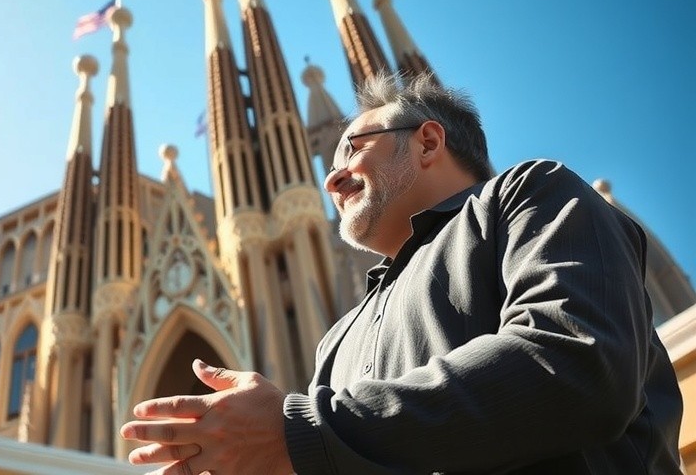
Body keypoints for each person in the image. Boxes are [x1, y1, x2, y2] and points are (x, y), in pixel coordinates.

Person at [119, 74, 683, 474]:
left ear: (428, 142)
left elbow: (579, 362)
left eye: (352, 150)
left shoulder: (527, 198)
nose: (331, 180)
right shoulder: (339, 341)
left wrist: (296, 431)